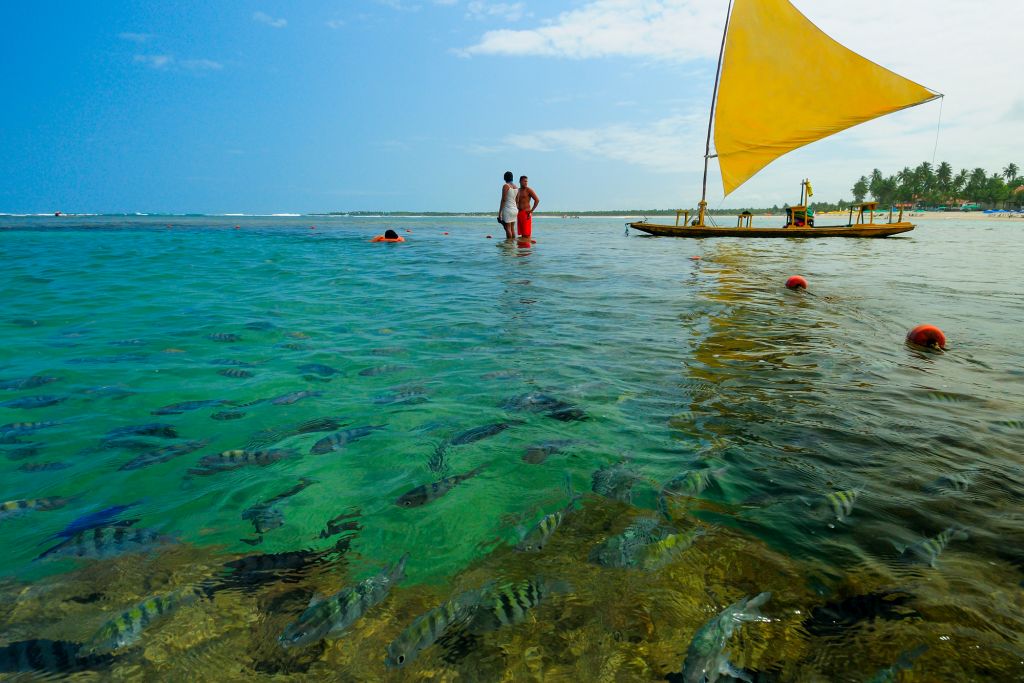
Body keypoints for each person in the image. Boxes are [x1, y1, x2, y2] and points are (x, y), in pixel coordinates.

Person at [516, 175, 539, 239]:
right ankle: (521, 249)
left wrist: (531, 211)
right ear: (520, 182)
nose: (526, 183)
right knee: (521, 235)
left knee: (527, 234)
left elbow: (537, 200)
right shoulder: (518, 190)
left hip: (526, 214)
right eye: (524, 181)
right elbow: (516, 202)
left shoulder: (528, 190)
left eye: (526, 181)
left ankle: (527, 248)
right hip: (519, 213)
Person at [498, 171, 517, 240]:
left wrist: (499, 212)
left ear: (504, 178)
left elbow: (503, 200)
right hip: (514, 209)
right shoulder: (516, 187)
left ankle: (509, 244)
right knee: (512, 228)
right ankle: (513, 244)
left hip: (507, 209)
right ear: (512, 178)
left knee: (508, 228)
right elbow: (517, 200)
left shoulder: (506, 186)